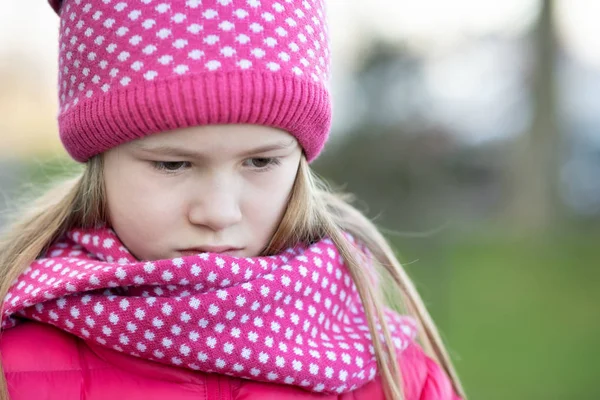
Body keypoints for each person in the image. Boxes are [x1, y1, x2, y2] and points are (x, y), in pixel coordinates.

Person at [0, 0, 466, 399]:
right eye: (173, 165)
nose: (219, 213)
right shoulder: (13, 364)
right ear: (99, 161)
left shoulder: (392, 371)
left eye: (260, 163)